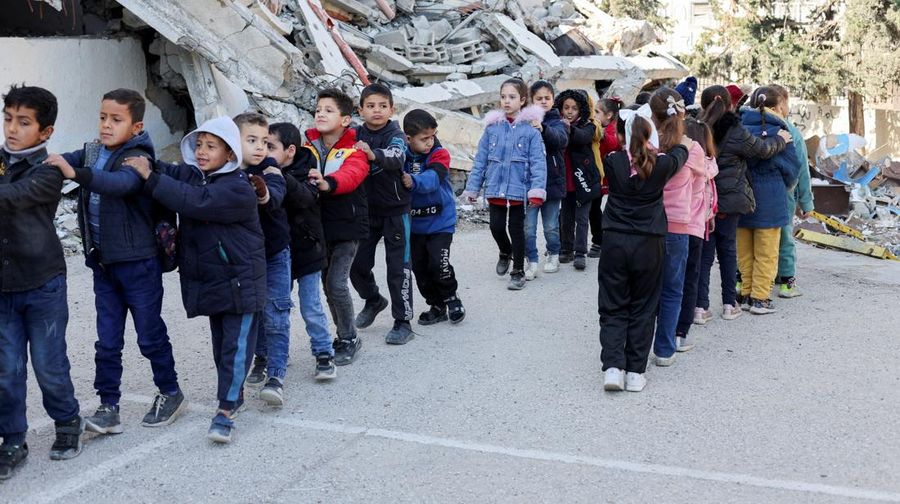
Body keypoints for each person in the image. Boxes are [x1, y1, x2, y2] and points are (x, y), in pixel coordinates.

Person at [47, 89, 184, 434]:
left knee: (149, 335)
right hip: (105, 265)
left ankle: (170, 391)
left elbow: (118, 185)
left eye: (116, 119)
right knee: (107, 340)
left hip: (139, 264)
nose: (107, 125)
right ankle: (109, 405)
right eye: (103, 117)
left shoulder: (138, 158)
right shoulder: (93, 151)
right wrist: (33, 161)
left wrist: (74, 173)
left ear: (136, 127)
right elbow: (63, 159)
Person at [124, 116, 266, 444]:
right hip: (218, 281)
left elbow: (192, 201)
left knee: (235, 348)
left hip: (242, 281)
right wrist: (143, 157)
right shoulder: (198, 175)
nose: (202, 151)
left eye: (211, 146)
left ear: (230, 154)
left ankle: (225, 412)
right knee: (222, 349)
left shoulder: (237, 188)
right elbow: (172, 173)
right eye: (199, 144)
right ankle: (236, 394)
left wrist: (149, 176)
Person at [0, 85, 84, 479]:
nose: (12, 129)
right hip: (4, 286)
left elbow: (13, 196)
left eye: (24, 122)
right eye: (8, 119)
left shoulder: (49, 170)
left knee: (49, 364)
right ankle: (12, 438)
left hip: (43, 284)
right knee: (6, 368)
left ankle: (68, 423)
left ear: (45, 131)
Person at [598, 106, 691, 392]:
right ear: (651, 135)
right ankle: (636, 372)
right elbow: (680, 154)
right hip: (649, 242)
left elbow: (617, 148)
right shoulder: (661, 164)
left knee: (613, 305)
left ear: (624, 136)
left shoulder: (612, 160)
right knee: (644, 306)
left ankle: (613, 367)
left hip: (614, 240)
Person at [694, 85, 788, 323]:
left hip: (700, 199)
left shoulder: (695, 127)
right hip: (729, 200)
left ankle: (700, 308)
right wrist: (780, 139)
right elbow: (763, 150)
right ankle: (729, 304)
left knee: (704, 256)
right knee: (727, 252)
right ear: (731, 105)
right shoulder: (735, 130)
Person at [462, 77, 547, 291]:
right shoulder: (492, 128)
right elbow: (481, 159)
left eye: (512, 97)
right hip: (495, 187)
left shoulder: (531, 130)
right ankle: (504, 251)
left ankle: (517, 271)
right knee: (496, 226)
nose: (506, 101)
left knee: (516, 229)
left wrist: (537, 189)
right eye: (503, 97)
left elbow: (538, 163)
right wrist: (473, 187)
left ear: (523, 100)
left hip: (519, 188)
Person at [231, 112, 293, 407]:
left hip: (274, 253)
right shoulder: (226, 171)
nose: (260, 148)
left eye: (266, 142)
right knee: (252, 314)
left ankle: (276, 376)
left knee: (277, 313)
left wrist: (264, 194)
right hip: (243, 258)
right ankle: (262, 357)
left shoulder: (270, 168)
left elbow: (276, 194)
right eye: (251, 140)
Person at [305, 89, 370, 365]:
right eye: (318, 109)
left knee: (336, 283)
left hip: (347, 227)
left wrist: (327, 183)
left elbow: (352, 174)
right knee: (326, 284)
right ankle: (342, 333)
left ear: (345, 120)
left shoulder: (356, 148)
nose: (321, 113)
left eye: (328, 110)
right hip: (318, 228)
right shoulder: (306, 146)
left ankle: (348, 337)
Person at [268, 122, 336, 380]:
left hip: (307, 250)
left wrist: (278, 176)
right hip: (277, 254)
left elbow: (306, 198)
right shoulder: (262, 171)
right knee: (275, 308)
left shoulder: (308, 171)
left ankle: (323, 354)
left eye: (270, 147)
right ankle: (271, 357)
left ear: (290, 150)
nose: (264, 151)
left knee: (311, 306)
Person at [350, 83, 415, 345]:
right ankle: (374, 300)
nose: (377, 111)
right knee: (357, 265)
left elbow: (397, 156)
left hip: (396, 211)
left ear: (391, 109)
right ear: (360, 110)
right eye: (371, 106)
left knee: (398, 268)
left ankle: (403, 321)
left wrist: (372, 154)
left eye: (382, 106)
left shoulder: (396, 133)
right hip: (364, 212)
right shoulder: (354, 133)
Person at [646, 87, 697, 367]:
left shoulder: (646, 144)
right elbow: (706, 177)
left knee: (645, 288)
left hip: (648, 223)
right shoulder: (691, 147)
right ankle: (665, 349)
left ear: (652, 115)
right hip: (678, 227)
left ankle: (638, 344)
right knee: (672, 288)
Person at [401, 109, 466, 325]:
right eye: (424, 138)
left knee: (440, 263)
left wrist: (413, 181)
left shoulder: (439, 154)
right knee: (420, 268)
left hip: (441, 223)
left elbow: (433, 178)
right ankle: (436, 304)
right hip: (415, 225)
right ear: (408, 138)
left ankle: (451, 298)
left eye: (432, 136)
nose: (430, 142)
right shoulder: (401, 155)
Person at [737, 87, 798, 314]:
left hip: (742, 197)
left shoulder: (738, 127)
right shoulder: (782, 131)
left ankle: (745, 294)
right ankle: (760, 298)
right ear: (776, 107)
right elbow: (792, 168)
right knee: (767, 252)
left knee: (744, 251)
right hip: (771, 197)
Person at [673, 117, 719, 352]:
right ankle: (682, 333)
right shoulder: (708, 166)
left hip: (673, 225)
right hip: (695, 229)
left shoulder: (676, 160)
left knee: (671, 280)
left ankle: (666, 327)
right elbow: (711, 200)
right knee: (690, 279)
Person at [769, 84, 814, 298]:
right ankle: (787, 282)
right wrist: (807, 204)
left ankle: (755, 278)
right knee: (785, 237)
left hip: (756, 194)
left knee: (758, 236)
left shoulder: (750, 127)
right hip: (785, 193)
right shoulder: (791, 131)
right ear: (780, 105)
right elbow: (802, 170)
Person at [524, 80, 567, 278]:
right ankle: (531, 260)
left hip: (552, 183)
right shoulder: (524, 120)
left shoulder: (557, 121)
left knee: (550, 225)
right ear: (531, 101)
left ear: (553, 100)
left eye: (547, 98)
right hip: (530, 183)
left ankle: (553, 253)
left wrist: (543, 129)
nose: (543, 101)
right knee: (528, 227)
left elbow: (561, 140)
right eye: (538, 98)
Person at [555, 89, 601, 271]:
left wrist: (568, 128)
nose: (570, 111)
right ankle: (566, 248)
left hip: (584, 181)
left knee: (582, 218)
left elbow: (582, 138)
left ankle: (580, 252)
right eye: (566, 107)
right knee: (565, 217)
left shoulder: (588, 126)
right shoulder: (557, 125)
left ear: (581, 109)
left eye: (574, 108)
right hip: (565, 181)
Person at [588, 97, 624, 258]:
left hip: (609, 176)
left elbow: (613, 144)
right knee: (593, 209)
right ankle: (598, 240)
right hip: (596, 175)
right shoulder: (598, 127)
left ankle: (602, 240)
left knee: (609, 209)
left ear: (609, 115)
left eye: (597, 112)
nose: (594, 115)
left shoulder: (611, 128)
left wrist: (600, 133)